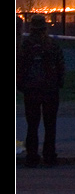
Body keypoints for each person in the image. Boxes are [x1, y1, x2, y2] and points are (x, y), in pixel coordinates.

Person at [17, 15, 65, 167]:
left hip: (31, 90)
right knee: (50, 125)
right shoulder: (52, 45)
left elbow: (19, 67)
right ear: (45, 27)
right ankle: (49, 157)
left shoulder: (26, 46)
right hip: (50, 90)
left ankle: (32, 157)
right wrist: (58, 84)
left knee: (32, 125)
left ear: (31, 28)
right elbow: (60, 67)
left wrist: (21, 86)